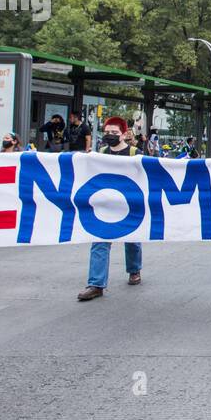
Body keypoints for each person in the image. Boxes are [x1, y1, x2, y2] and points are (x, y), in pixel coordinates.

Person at [77, 117, 143, 301]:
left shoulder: (134, 153)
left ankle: (134, 270)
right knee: (99, 241)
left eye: (114, 133)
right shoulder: (102, 153)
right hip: (106, 205)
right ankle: (96, 284)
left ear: (123, 134)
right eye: (107, 132)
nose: (110, 135)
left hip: (130, 204)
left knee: (132, 239)